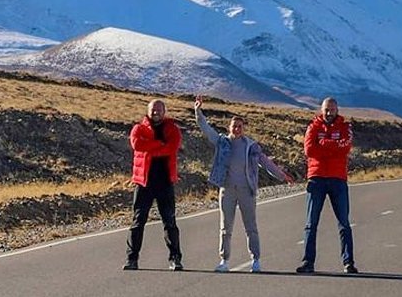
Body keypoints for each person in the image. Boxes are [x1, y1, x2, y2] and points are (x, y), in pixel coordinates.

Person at [194, 96, 294, 273]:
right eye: (234, 126)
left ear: (243, 128)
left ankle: (255, 260)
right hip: (227, 190)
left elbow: (266, 163)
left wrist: (282, 176)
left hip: (246, 190)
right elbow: (206, 129)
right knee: (226, 228)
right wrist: (198, 111)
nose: (237, 129)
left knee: (251, 227)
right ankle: (224, 261)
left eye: (240, 126)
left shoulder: (251, 146)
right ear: (229, 128)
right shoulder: (222, 142)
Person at [296, 96, 358, 274]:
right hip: (316, 179)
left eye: (332, 109)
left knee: (344, 223)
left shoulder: (345, 127)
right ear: (321, 110)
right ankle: (308, 262)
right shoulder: (313, 127)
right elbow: (309, 150)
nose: (329, 112)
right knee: (311, 223)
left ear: (337, 110)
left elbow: (345, 147)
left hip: (338, 179)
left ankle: (348, 262)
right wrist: (332, 146)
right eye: (326, 109)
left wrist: (323, 143)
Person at [124, 98, 183, 271]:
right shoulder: (138, 128)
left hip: (165, 183)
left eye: (159, 109)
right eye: (153, 110)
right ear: (148, 111)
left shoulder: (172, 129)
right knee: (137, 221)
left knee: (169, 221)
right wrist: (159, 144)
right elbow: (137, 144)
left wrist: (151, 148)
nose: (155, 112)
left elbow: (171, 148)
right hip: (144, 183)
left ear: (164, 112)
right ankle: (131, 259)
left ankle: (175, 258)